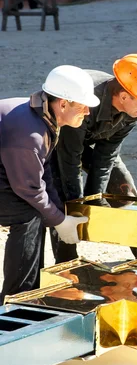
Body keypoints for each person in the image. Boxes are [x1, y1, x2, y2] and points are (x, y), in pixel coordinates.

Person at [0, 65, 99, 304]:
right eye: (81, 105)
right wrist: (59, 220)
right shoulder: (30, 135)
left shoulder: (43, 118)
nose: (86, 112)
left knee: (41, 211)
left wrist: (58, 213)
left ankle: (32, 290)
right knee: (28, 213)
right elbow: (29, 189)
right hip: (12, 172)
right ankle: (16, 301)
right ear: (63, 104)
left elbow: (46, 174)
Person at [50, 54, 137, 263]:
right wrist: (80, 204)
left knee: (124, 190)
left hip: (89, 140)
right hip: (62, 141)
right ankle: (66, 266)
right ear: (123, 97)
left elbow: (106, 155)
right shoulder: (85, 102)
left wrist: (97, 197)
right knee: (64, 199)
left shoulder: (130, 113)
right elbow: (70, 158)